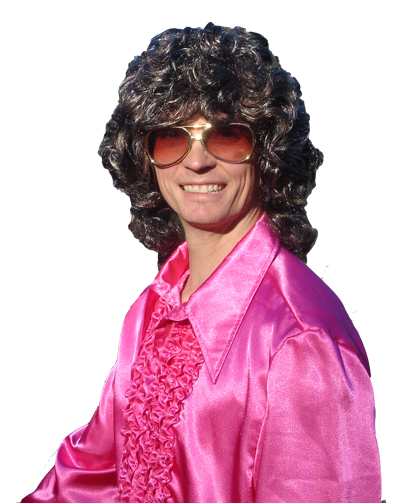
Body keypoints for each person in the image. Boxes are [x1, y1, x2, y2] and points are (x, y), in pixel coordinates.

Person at [22, 22, 382, 503]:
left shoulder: (301, 343)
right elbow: (89, 478)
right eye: (172, 138)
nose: (196, 162)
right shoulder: (153, 308)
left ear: (267, 152)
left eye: (227, 136)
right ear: (145, 157)